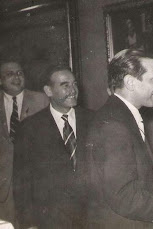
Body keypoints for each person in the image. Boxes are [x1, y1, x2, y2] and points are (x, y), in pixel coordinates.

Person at [85, 49, 153, 228]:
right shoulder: (114, 126)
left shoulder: (119, 115)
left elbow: (126, 179)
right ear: (130, 82)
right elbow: (123, 196)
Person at [13, 65, 93, 229]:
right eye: (65, 85)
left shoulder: (94, 120)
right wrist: (28, 224)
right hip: (51, 221)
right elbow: (22, 182)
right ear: (48, 91)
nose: (73, 90)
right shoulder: (30, 129)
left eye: (75, 84)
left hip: (93, 218)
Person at [0, 60, 49, 225]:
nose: (16, 77)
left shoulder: (42, 100)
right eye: (9, 74)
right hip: (3, 188)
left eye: (20, 73)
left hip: (33, 184)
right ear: (0, 80)